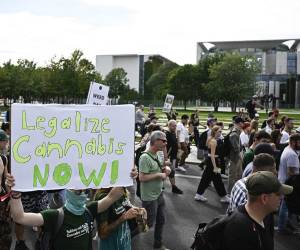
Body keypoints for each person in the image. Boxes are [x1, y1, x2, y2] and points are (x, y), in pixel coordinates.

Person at [6, 176, 133, 250]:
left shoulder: (89, 210)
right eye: (77, 191)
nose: (82, 194)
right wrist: (15, 194)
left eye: (84, 191)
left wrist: (127, 176)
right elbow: (20, 217)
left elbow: (112, 196)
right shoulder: (54, 215)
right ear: (67, 192)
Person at [223, 171, 293, 250]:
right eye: (278, 194)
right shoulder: (240, 230)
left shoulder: (267, 216)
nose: (282, 197)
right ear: (264, 198)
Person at [139, 131, 171, 250]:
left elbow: (158, 168)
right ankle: (126, 236)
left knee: (161, 220)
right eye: (163, 140)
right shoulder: (145, 157)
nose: (165, 143)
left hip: (159, 193)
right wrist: (159, 175)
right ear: (156, 141)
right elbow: (141, 178)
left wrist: (165, 169)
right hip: (149, 197)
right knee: (148, 224)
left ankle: (157, 244)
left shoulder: (157, 154)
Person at [194, 126, 229, 203]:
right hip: (213, 161)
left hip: (212, 161)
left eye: (221, 131)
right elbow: (212, 155)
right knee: (216, 179)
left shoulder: (213, 139)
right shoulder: (213, 141)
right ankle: (224, 196)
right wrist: (215, 167)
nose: (221, 133)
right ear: (215, 132)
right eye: (219, 131)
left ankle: (199, 194)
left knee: (208, 179)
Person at [277, 133, 300, 234]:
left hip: (284, 181)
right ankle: (282, 227)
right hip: (289, 183)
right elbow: (291, 172)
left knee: (285, 205)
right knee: (286, 206)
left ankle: (285, 224)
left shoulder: (288, 150)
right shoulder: (292, 154)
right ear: (293, 142)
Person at [165, 120, 183, 194]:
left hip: (173, 156)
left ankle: (173, 187)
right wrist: (166, 157)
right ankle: (173, 187)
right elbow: (165, 147)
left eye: (175, 126)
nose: (175, 127)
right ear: (169, 126)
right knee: (171, 171)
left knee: (171, 171)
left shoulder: (173, 133)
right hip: (168, 157)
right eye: (173, 126)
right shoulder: (167, 134)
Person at [0, 130, 11, 250]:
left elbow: (7, 179)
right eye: (4, 142)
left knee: (5, 232)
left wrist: (11, 197)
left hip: (3, 199)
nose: (6, 144)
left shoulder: (4, 158)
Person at [228, 117, 244, 193]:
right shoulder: (234, 134)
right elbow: (236, 149)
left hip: (237, 157)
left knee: (238, 175)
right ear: (239, 123)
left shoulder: (238, 132)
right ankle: (229, 192)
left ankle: (235, 190)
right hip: (234, 158)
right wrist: (241, 158)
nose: (243, 124)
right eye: (242, 122)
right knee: (232, 175)